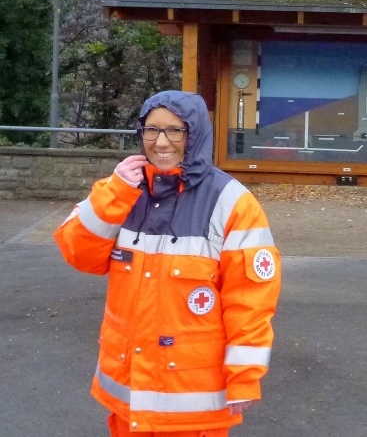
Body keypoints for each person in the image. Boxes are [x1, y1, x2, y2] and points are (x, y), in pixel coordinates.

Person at [54, 91, 282, 435]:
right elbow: (80, 255)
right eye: (152, 129)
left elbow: (251, 300)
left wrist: (245, 376)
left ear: (195, 135)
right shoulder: (122, 190)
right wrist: (114, 193)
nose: (161, 142)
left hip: (192, 407)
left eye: (175, 130)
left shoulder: (232, 203)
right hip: (128, 398)